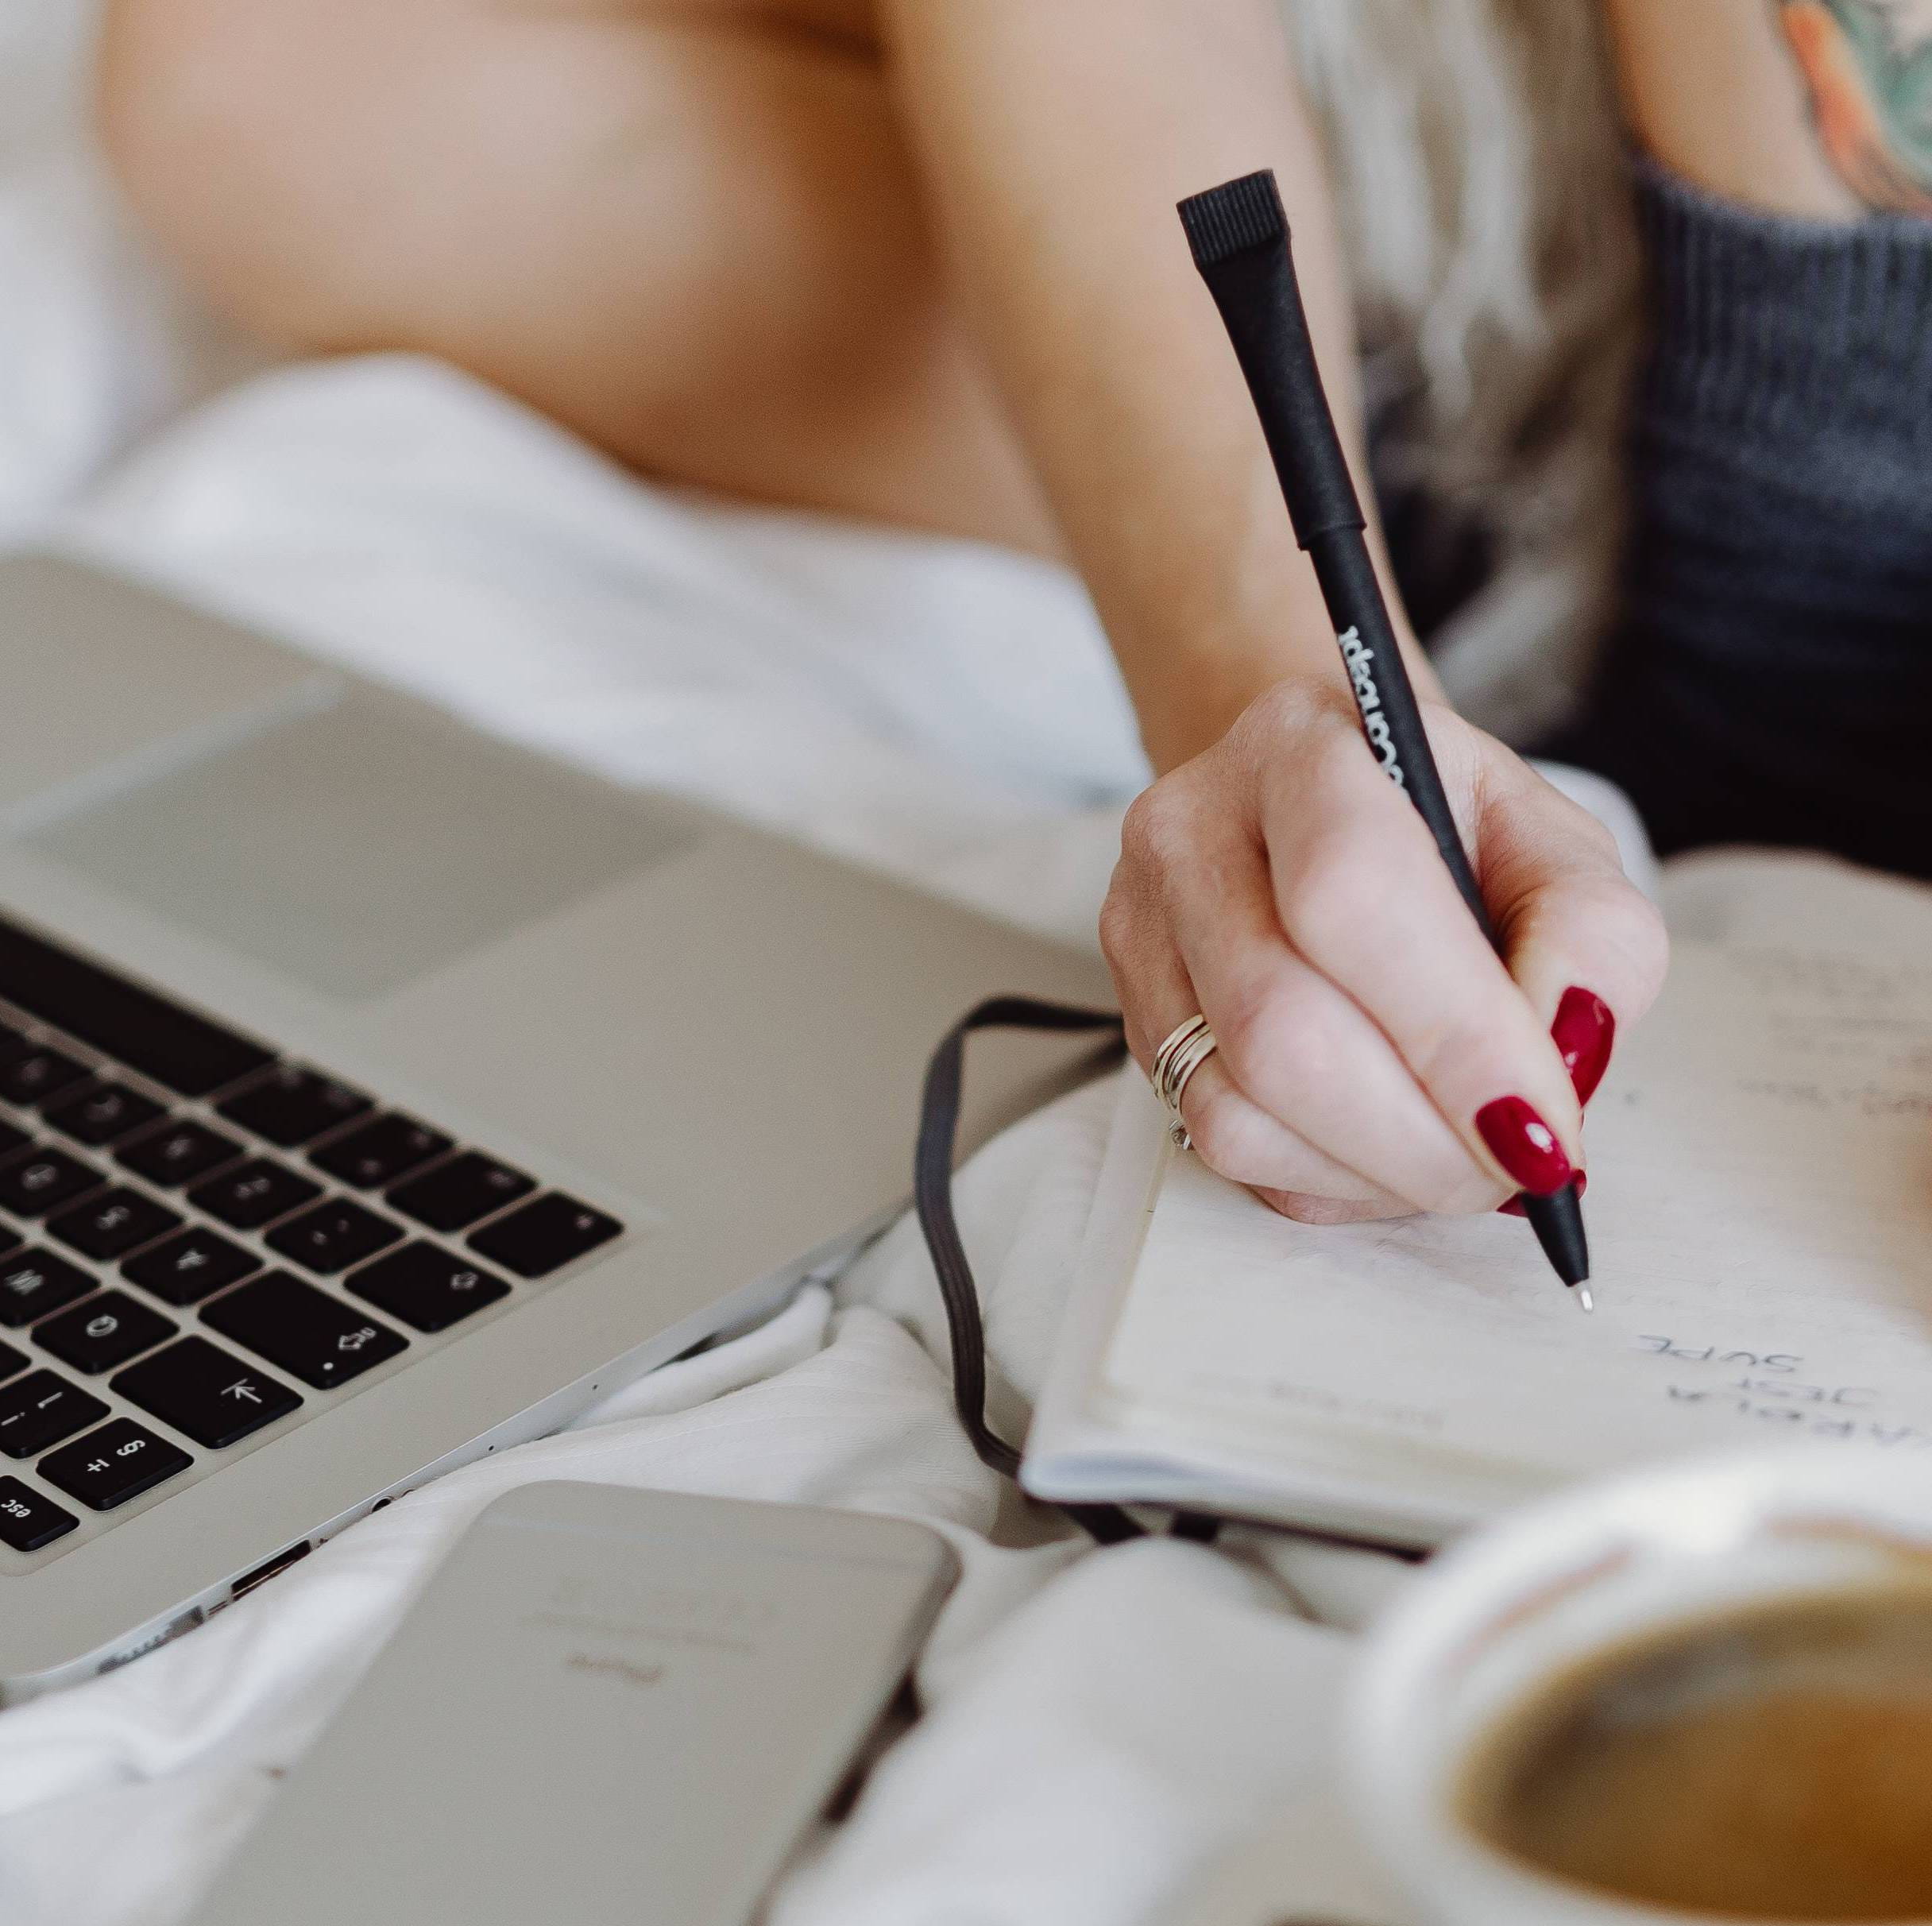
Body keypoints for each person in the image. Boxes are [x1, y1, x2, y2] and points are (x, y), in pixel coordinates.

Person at [93, 2, 1931, 1228]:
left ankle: (1633, 529)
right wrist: (1263, 683)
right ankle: (1430, 531)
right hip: (1542, 268)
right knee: (252, 77)